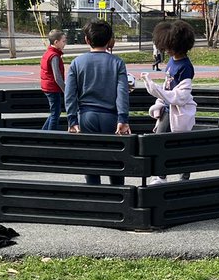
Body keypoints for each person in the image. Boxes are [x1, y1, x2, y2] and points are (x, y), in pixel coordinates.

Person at [64, 20, 131, 186]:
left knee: (91, 162)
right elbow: (122, 93)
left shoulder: (77, 63)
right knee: (116, 162)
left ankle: (96, 200)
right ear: (109, 41)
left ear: (87, 40)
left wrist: (72, 120)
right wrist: (122, 118)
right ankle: (117, 199)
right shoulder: (117, 63)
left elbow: (70, 94)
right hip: (111, 117)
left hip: (86, 116)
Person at [143, 19, 197, 183]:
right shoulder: (172, 62)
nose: (165, 50)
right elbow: (168, 86)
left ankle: (175, 175)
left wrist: (156, 90)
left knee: (169, 143)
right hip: (167, 108)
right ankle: (163, 175)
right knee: (163, 142)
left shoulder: (185, 67)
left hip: (176, 110)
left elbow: (180, 95)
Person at [39, 29, 67, 131]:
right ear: (56, 42)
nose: (65, 43)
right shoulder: (54, 56)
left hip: (48, 86)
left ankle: (43, 133)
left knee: (54, 112)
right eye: (63, 41)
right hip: (52, 88)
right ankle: (50, 135)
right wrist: (65, 90)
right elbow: (57, 77)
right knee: (56, 114)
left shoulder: (48, 53)